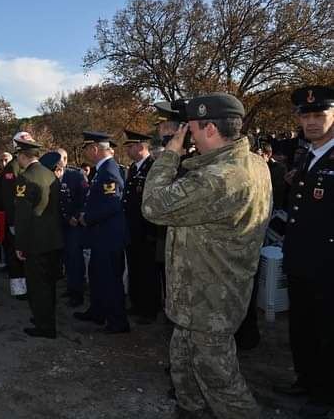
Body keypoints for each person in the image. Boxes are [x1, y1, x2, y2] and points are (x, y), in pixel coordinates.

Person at [142, 93, 271, 419]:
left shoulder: (218, 178)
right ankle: (191, 410)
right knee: (184, 370)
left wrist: (170, 154)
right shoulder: (253, 163)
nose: (186, 136)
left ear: (210, 128)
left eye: (191, 129)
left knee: (223, 385)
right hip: (200, 297)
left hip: (209, 301)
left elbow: (153, 206)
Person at [274, 85, 334, 418]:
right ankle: (307, 379)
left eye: (319, 115)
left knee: (327, 331)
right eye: (305, 115)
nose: (311, 122)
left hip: (327, 265)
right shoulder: (307, 156)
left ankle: (325, 395)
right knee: (302, 327)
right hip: (300, 260)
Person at [74, 132, 130, 334]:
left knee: (110, 280)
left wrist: (86, 218)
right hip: (101, 235)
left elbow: (112, 204)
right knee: (97, 276)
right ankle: (97, 311)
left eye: (87, 148)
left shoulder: (109, 170)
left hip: (109, 236)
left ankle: (118, 321)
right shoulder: (103, 170)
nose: (87, 153)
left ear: (94, 149)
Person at [14, 145, 64, 339]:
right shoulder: (51, 175)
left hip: (35, 242)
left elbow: (22, 216)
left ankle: (45, 326)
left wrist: (19, 245)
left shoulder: (25, 178)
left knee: (37, 286)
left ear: (22, 156)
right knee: (49, 285)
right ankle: (46, 318)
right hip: (54, 239)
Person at [122, 130, 160, 325]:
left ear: (140, 146)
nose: (127, 150)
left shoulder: (152, 167)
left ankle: (149, 309)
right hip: (133, 229)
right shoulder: (134, 168)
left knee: (147, 271)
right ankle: (137, 303)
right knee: (135, 268)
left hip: (146, 231)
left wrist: (152, 232)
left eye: (130, 146)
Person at [0, 132, 34, 298]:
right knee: (15, 253)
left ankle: (25, 284)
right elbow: (7, 197)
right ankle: (18, 287)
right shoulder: (11, 168)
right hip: (15, 218)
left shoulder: (26, 165)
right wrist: (12, 222)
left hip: (26, 217)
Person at [53, 147, 88, 308]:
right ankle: (70, 287)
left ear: (66, 160)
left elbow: (84, 199)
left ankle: (77, 293)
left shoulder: (76, 175)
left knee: (75, 259)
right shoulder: (51, 174)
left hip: (73, 225)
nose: (58, 161)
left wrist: (76, 215)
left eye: (60, 158)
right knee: (66, 258)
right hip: (59, 225)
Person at [259, 143, 287, 211]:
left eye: (259, 155)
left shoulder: (280, 168)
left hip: (271, 205)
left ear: (268, 154)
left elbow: (279, 190)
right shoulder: (252, 166)